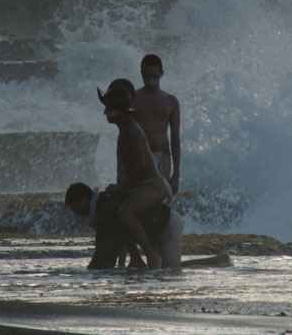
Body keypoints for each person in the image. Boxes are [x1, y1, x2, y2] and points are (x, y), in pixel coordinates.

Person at [65, 182, 230, 269]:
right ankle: (218, 259)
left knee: (171, 270)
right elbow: (122, 234)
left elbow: (105, 248)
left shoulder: (106, 207)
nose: (77, 212)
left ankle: (219, 260)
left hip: (167, 224)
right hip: (154, 229)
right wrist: (132, 260)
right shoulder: (104, 205)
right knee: (160, 269)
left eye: (75, 207)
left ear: (85, 199)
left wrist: (91, 271)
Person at [98, 79, 171, 269]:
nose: (105, 113)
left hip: (152, 185)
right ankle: (131, 258)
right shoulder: (124, 129)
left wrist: (122, 187)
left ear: (120, 111)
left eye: (109, 109)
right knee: (113, 209)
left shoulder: (131, 130)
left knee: (125, 212)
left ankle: (151, 255)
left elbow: (140, 165)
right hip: (139, 186)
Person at [132, 54, 181, 194]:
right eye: (146, 77)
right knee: (140, 196)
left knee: (161, 199)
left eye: (154, 76)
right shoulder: (133, 99)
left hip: (163, 155)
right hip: (140, 156)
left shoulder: (171, 101)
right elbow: (125, 135)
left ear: (161, 74)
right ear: (141, 73)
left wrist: (176, 174)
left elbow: (175, 138)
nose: (150, 80)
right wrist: (121, 169)